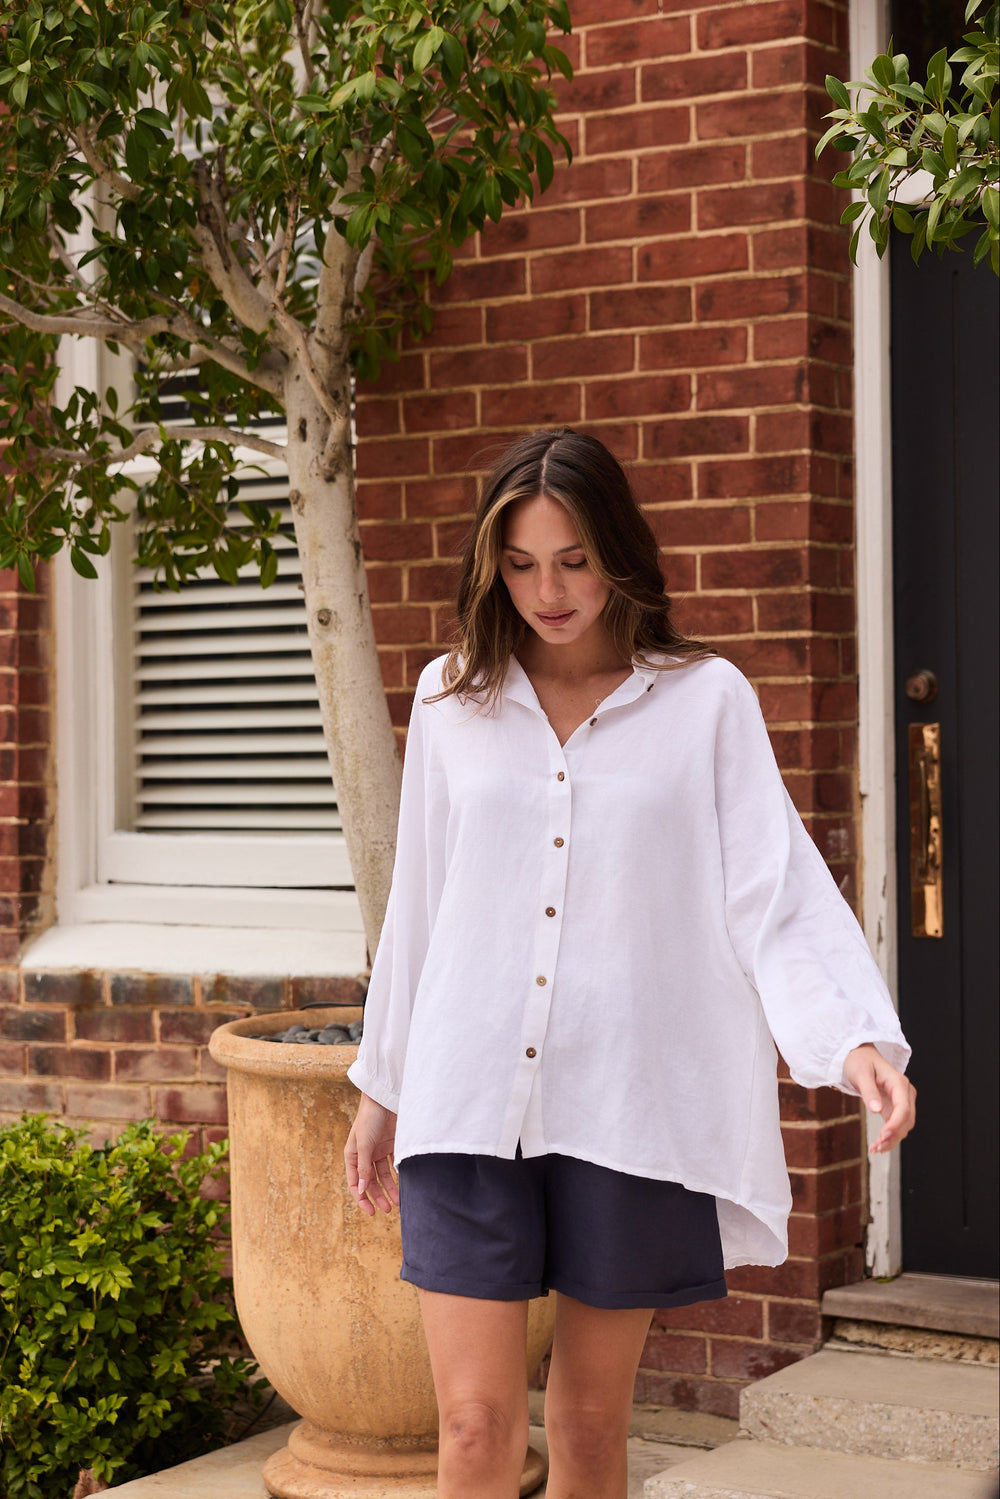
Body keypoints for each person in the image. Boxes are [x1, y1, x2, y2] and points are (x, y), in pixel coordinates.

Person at [344, 428, 916, 1499]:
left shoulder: (703, 700)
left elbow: (773, 890)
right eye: (518, 563)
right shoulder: (448, 697)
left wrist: (852, 1042)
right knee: (471, 1426)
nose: (547, 590)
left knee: (593, 1429)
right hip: (467, 1099)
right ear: (489, 565)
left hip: (628, 1106)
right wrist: (382, 1088)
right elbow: (419, 904)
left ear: (618, 552)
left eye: (572, 559)